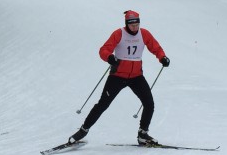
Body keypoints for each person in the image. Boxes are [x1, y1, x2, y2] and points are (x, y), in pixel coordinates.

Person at [70, 10, 170, 146]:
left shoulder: (144, 34)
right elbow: (104, 49)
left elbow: (155, 48)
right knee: (102, 105)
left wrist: (162, 57)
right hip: (117, 76)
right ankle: (83, 130)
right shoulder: (119, 33)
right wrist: (109, 57)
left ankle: (143, 134)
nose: (135, 27)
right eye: (132, 25)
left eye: (137, 24)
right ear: (127, 24)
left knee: (149, 103)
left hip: (136, 76)